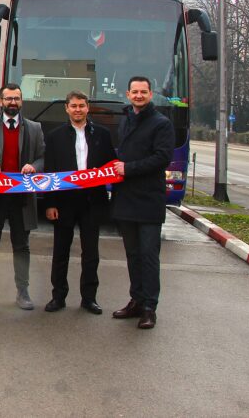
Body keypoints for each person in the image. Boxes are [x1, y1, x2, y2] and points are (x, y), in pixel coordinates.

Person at [42, 90, 116, 315]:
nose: (78, 110)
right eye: (73, 106)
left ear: (87, 108)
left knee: (91, 254)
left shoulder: (102, 134)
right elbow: (49, 171)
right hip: (64, 202)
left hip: (92, 201)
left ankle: (89, 298)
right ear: (66, 108)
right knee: (60, 252)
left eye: (81, 106)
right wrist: (50, 204)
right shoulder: (54, 136)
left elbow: (111, 165)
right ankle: (58, 297)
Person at [0, 84, 44, 310]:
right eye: (8, 98)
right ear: (0, 101)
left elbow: (42, 157)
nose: (13, 102)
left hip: (22, 198)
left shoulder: (34, 128)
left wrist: (34, 166)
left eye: (16, 98)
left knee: (21, 246)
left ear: (21, 101)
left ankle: (23, 292)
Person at [110, 76, 175, 330]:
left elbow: (162, 158)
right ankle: (136, 300)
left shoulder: (161, 123)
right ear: (128, 94)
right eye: (134, 92)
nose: (138, 96)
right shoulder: (126, 119)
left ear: (150, 94)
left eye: (143, 92)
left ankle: (149, 308)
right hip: (126, 199)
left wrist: (128, 169)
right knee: (132, 255)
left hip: (149, 201)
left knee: (148, 256)